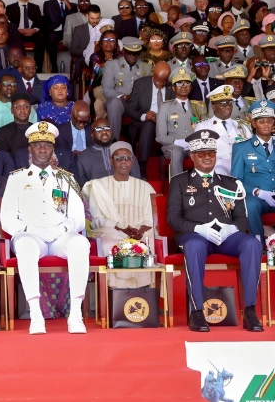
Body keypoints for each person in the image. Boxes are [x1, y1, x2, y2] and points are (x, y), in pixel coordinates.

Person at [168, 130, 263, 332]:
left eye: (210, 152)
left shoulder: (231, 183)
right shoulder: (179, 181)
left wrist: (232, 228)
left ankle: (250, 310)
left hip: (226, 237)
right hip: (195, 235)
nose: (207, 157)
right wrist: (197, 228)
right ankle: (197, 312)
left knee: (252, 243)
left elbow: (242, 218)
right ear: (192, 156)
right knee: (193, 245)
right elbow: (173, 218)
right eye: (201, 153)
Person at [0, 121, 88, 334]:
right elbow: (8, 218)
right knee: (26, 246)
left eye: (46, 145)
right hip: (31, 236)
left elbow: (78, 216)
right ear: (29, 148)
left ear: (53, 149)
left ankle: (75, 313)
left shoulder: (65, 179)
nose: (42, 149)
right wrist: (33, 229)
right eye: (37, 145)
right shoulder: (17, 178)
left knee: (80, 244)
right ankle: (36, 313)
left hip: (59, 237)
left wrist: (61, 229)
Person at [85, 141, 154, 288]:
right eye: (119, 158)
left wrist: (139, 232)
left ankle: (144, 290)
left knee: (150, 241)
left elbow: (151, 217)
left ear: (132, 161)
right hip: (112, 231)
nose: (123, 161)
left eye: (127, 158)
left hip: (139, 232)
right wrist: (121, 230)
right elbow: (96, 220)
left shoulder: (145, 186)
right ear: (111, 161)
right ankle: (115, 291)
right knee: (109, 241)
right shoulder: (99, 186)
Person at [231, 100, 275, 244]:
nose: (267, 124)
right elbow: (236, 180)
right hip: (259, 199)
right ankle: (259, 245)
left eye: (269, 121)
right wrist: (257, 192)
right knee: (249, 204)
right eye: (262, 121)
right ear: (254, 123)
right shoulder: (241, 148)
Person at [195, 86, 252, 175]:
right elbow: (199, 155)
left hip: (242, 166)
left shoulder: (243, 127)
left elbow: (251, 150)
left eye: (230, 102)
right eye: (222, 103)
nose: (228, 106)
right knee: (219, 172)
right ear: (213, 107)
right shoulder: (203, 127)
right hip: (218, 167)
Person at [102, 37, 149, 137]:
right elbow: (106, 90)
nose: (133, 56)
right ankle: (113, 142)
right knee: (115, 103)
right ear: (123, 51)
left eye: (136, 53)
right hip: (121, 103)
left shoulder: (146, 67)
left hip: (138, 105)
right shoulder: (112, 65)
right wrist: (122, 96)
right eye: (129, 52)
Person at [75, 119, 141, 186]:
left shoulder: (125, 151)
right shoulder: (82, 157)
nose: (104, 132)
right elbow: (83, 186)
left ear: (111, 132)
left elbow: (136, 179)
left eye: (107, 128)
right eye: (98, 129)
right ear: (92, 135)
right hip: (97, 195)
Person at [6, 0, 48, 71]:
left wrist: (34, 30)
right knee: (13, 38)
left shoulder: (35, 7)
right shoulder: (10, 8)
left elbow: (39, 23)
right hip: (18, 33)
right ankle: (21, 67)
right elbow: (8, 24)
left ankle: (36, 68)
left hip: (32, 34)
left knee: (42, 38)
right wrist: (19, 30)